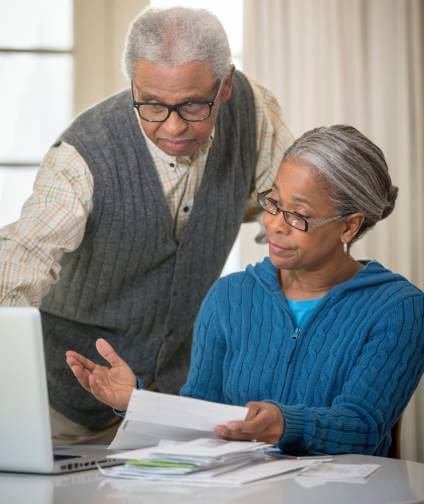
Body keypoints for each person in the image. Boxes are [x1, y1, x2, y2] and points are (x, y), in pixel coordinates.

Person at [0, 7, 293, 444]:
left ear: (226, 84)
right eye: (152, 105)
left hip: (173, 399)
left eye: (194, 105)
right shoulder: (82, 155)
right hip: (66, 407)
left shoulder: (253, 113)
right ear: (133, 84)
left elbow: (291, 214)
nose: (173, 126)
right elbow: (21, 261)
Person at [66, 125, 423, 455]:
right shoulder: (230, 297)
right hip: (236, 497)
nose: (275, 226)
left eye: (298, 214)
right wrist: (136, 400)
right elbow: (201, 413)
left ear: (349, 226)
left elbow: (363, 427)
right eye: (274, 203)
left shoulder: (399, 309)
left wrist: (286, 424)